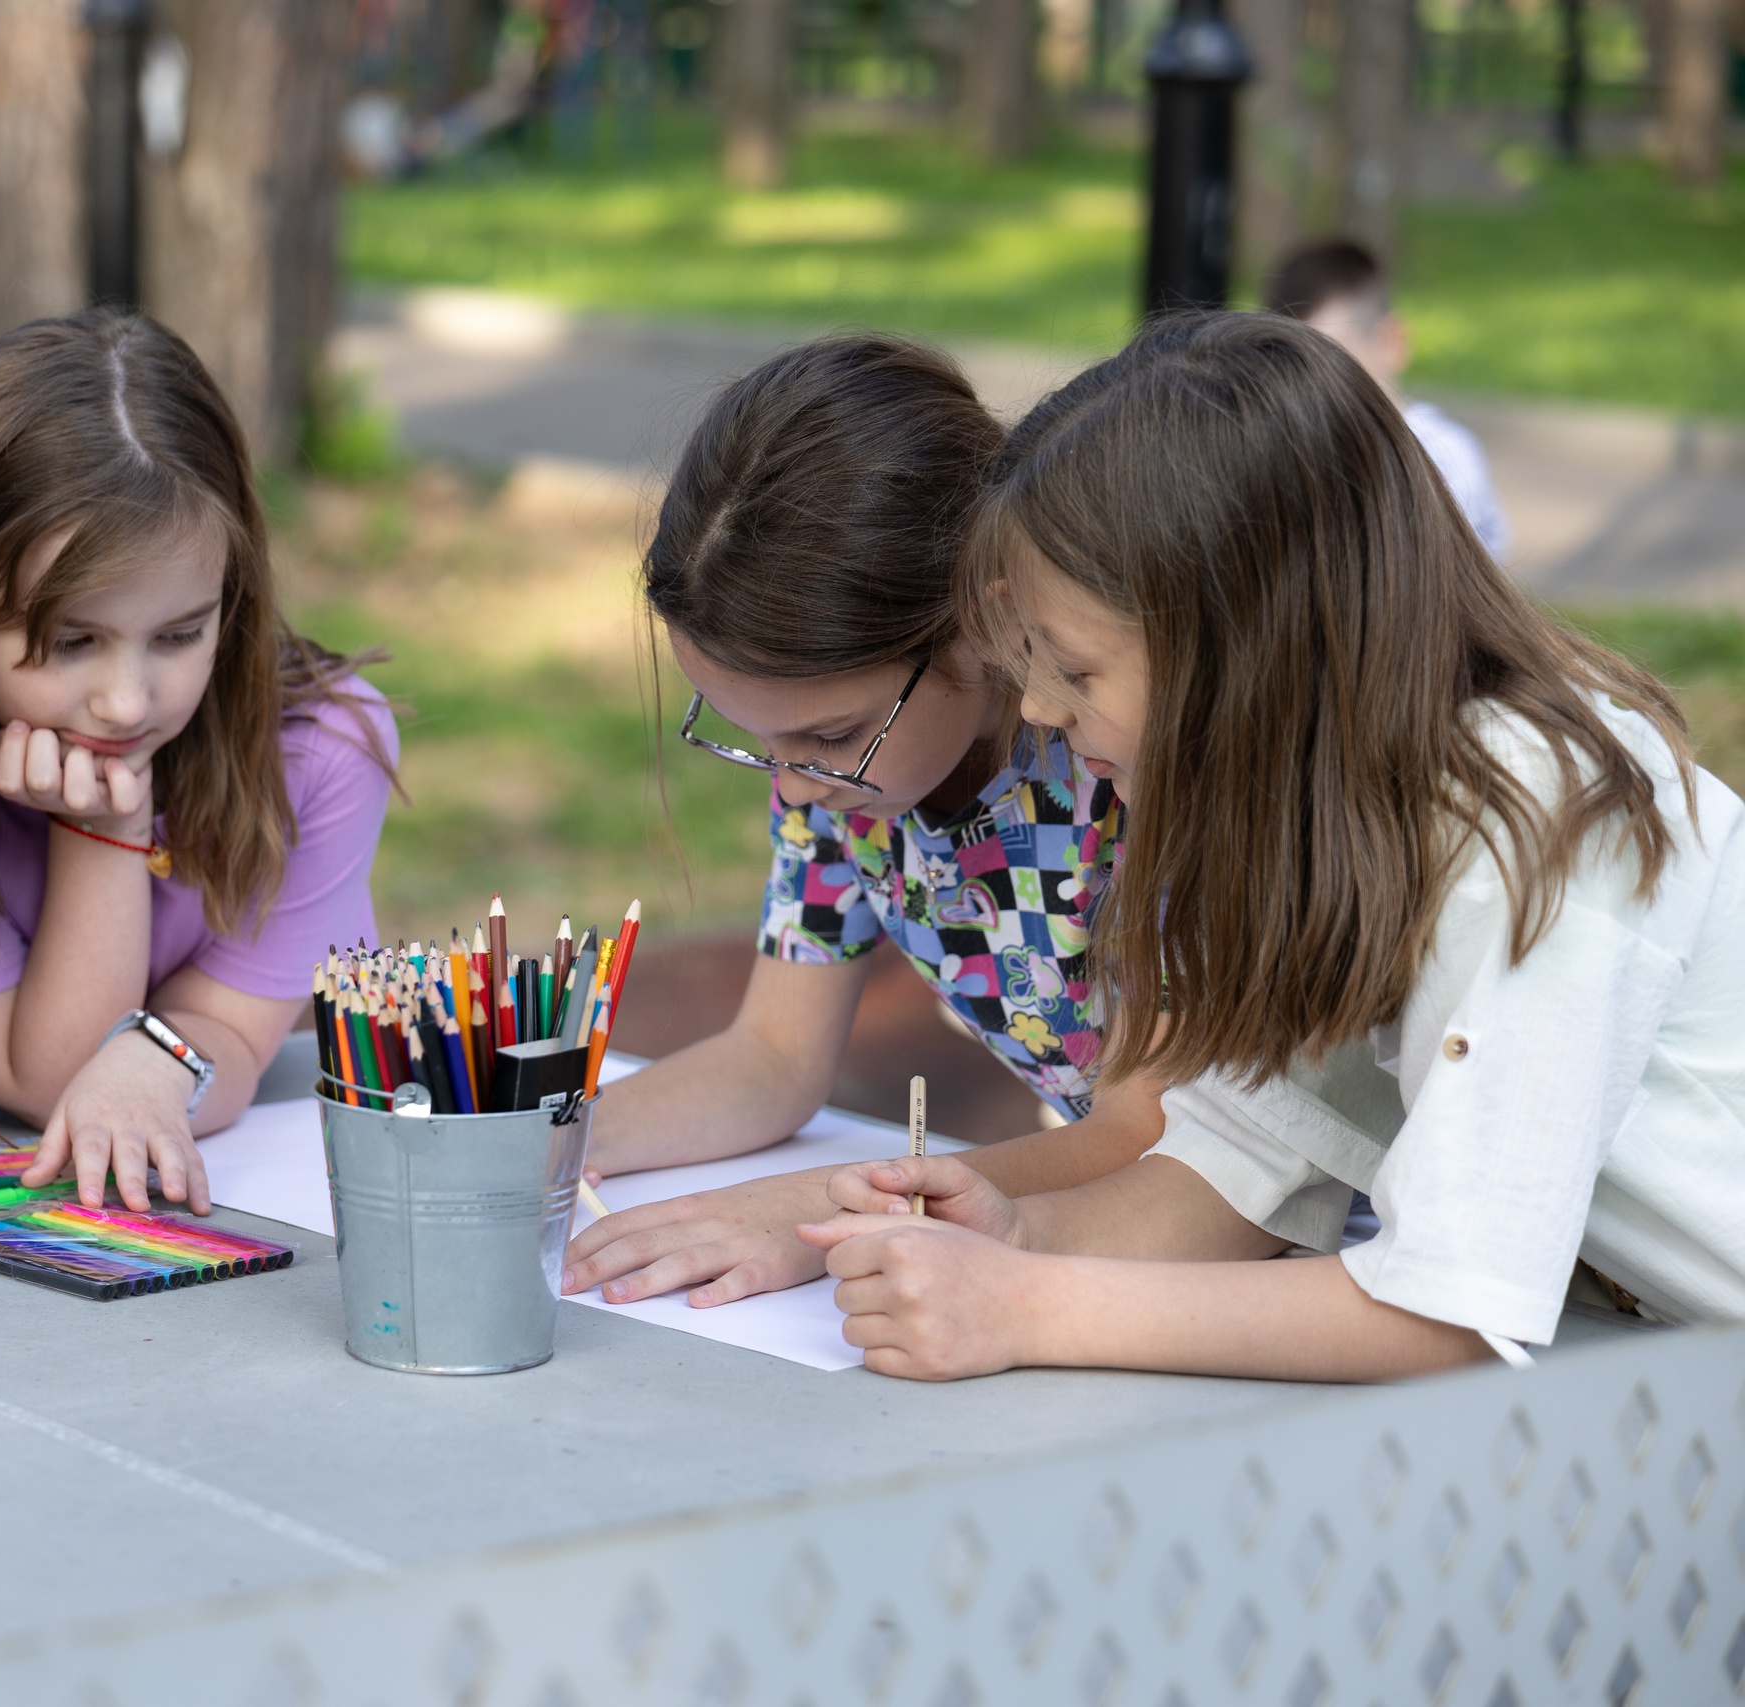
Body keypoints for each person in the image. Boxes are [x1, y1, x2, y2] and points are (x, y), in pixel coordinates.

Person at [807, 312, 1745, 1382]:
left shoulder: (1533, 814)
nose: (1037, 709)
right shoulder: (1318, 811)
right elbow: (1241, 1165)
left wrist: (1027, 1307)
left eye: (1075, 668)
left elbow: (1449, 1316)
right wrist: (1017, 1237)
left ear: (1244, 645)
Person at [561, 335, 1164, 1313]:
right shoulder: (844, 788)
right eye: (756, 740)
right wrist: (544, 1137)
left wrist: (816, 1211)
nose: (794, 789)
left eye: (829, 735)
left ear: (978, 619)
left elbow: (1150, 1135)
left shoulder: (1120, 761)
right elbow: (772, 1055)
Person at [0, 311, 397, 1218]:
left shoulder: (322, 753)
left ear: (232, 598)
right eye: (72, 640)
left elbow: (228, 1032)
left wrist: (156, 1058)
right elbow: (50, 1083)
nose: (125, 702)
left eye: (180, 634)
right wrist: (105, 827)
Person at [1266, 237, 1511, 562]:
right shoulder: (1289, 448)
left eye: (1332, 362)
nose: (1309, 385)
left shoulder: (1443, 458)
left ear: (1390, 342)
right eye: (1288, 362)